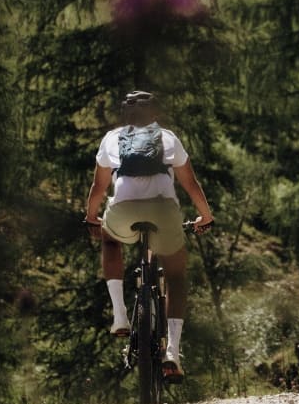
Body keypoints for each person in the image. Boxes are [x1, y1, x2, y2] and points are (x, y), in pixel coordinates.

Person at [84, 90, 214, 378]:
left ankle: (119, 314)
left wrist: (92, 218)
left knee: (109, 238)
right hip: (164, 213)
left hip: (124, 212)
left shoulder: (111, 139)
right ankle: (173, 352)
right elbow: (191, 185)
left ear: (125, 115)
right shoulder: (168, 138)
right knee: (176, 276)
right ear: (154, 114)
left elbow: (98, 188)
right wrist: (206, 216)